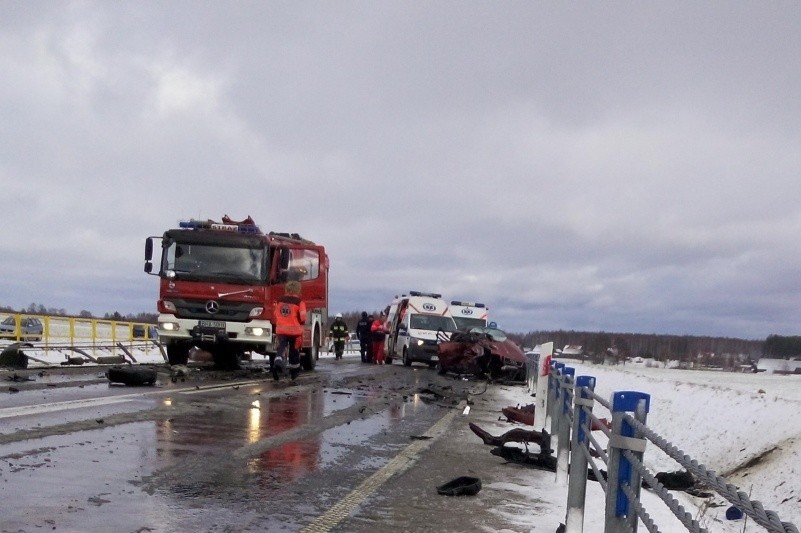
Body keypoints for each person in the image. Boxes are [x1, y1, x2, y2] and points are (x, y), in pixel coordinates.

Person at [273, 280, 306, 381]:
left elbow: (275, 313)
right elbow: (303, 317)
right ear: (298, 290)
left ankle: (278, 362)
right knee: (294, 350)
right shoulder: (299, 302)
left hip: (281, 330)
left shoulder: (279, 300)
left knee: (281, 347)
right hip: (295, 331)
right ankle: (294, 372)